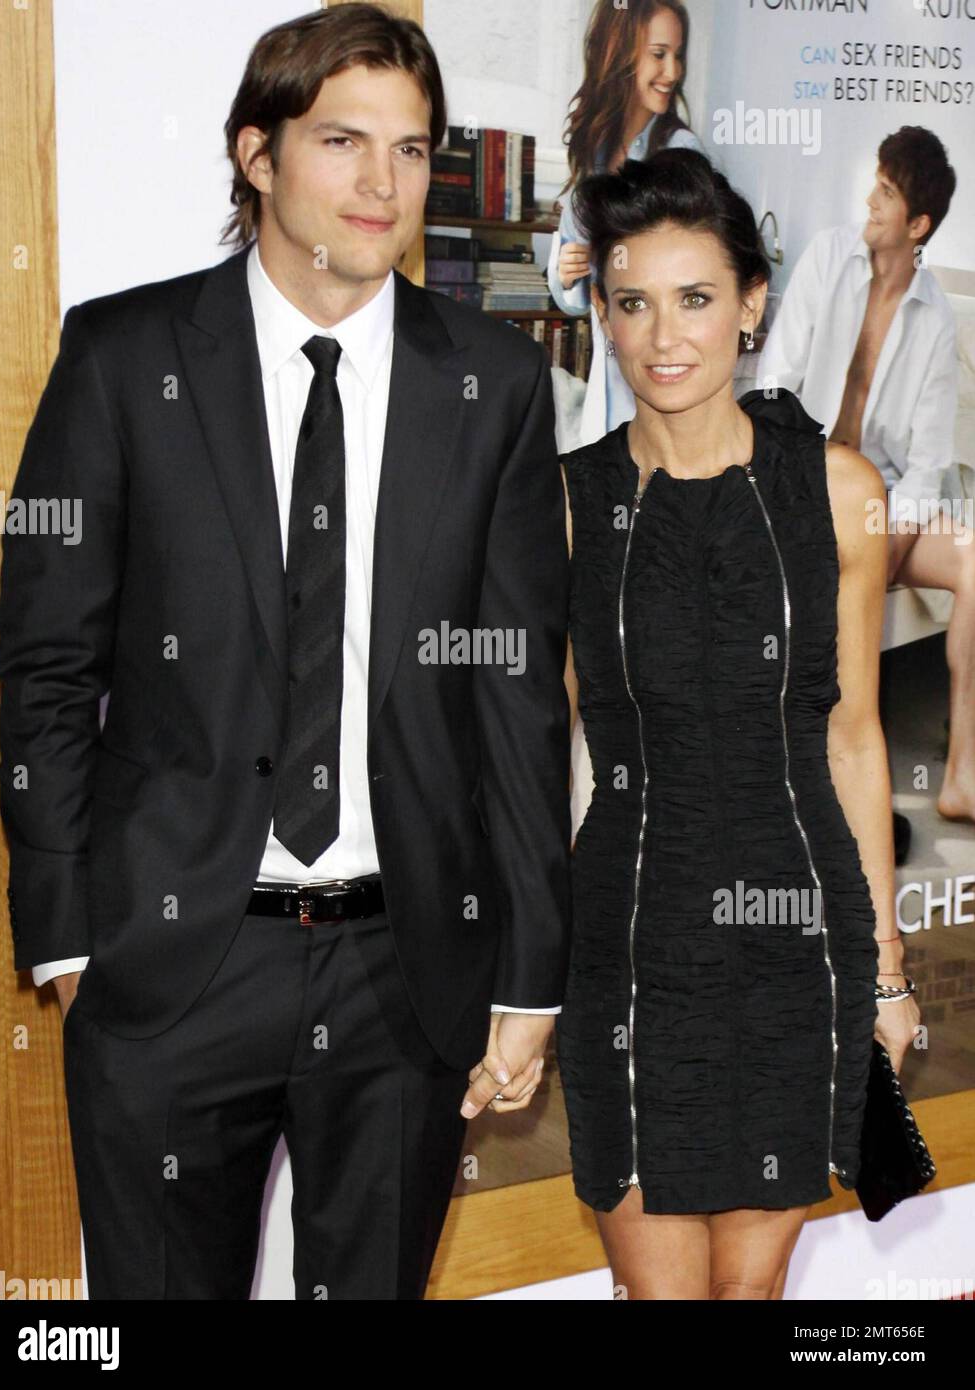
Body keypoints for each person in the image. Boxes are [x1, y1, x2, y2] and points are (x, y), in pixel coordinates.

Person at [0, 4, 571, 1301]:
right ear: (255, 154)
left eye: (413, 151)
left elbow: (518, 693)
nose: (383, 184)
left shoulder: (492, 385)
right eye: (341, 141)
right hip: (169, 962)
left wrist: (530, 964)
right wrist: (69, 931)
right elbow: (44, 661)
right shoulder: (124, 356)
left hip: (403, 973)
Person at [557, 148, 921, 1300]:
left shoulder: (836, 493)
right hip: (628, 945)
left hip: (793, 948)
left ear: (750, 305)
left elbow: (852, 740)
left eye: (696, 298)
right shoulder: (564, 508)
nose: (664, 336)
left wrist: (885, 975)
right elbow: (550, 753)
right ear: (601, 314)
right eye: (631, 302)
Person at [757, 127, 973, 825]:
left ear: (917, 225)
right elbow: (774, 386)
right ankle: (803, 765)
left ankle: (961, 775)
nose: (869, 202)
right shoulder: (826, 259)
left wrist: (884, 545)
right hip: (806, 476)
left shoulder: (935, 323)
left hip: (885, 506)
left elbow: (929, 465)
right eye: (874, 182)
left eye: (886, 193)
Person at [547, 0, 706, 447]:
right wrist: (567, 271)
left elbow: (691, 269)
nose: (672, 71)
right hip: (609, 377)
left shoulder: (680, 151)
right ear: (620, 54)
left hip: (663, 371)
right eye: (659, 54)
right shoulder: (595, 150)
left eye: (678, 55)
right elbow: (572, 299)